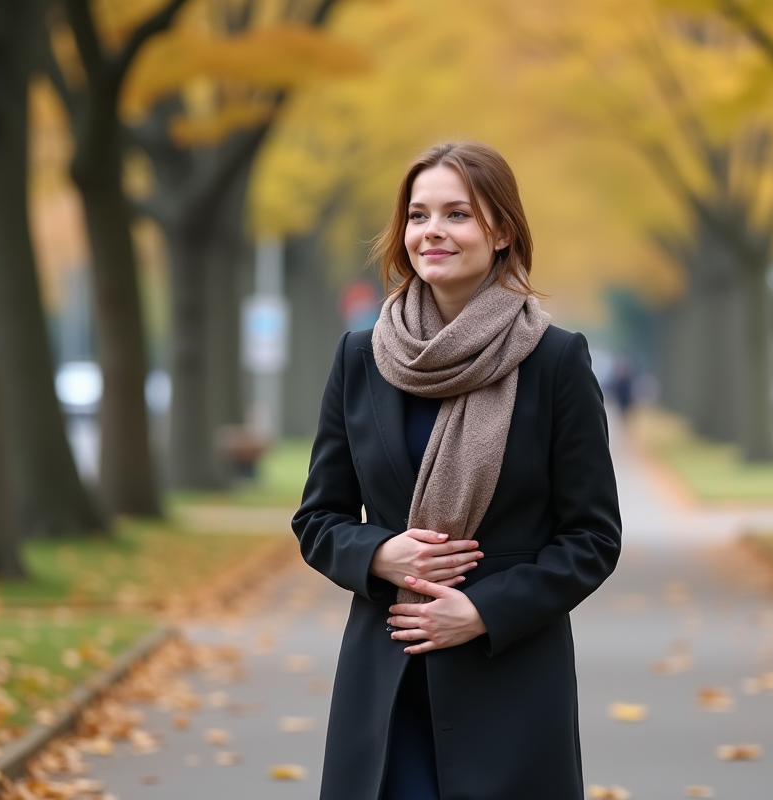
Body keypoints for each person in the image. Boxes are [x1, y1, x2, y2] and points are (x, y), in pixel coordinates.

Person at [292, 140, 621, 800]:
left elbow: (592, 538)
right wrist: (380, 551)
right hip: (386, 680)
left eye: (457, 215)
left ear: (501, 231)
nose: (432, 232)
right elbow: (319, 518)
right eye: (417, 216)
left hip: (510, 685)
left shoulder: (555, 362)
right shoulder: (361, 358)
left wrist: (483, 611)